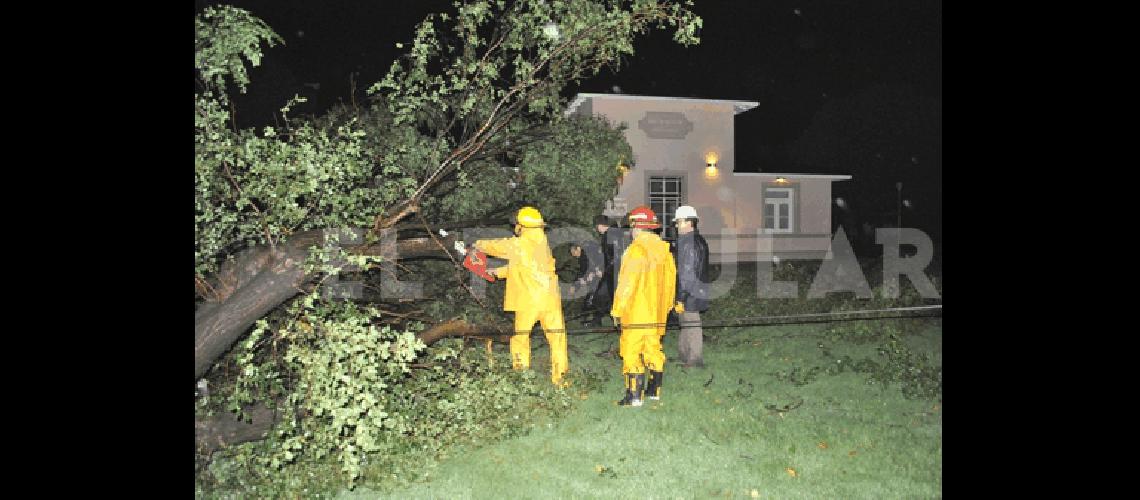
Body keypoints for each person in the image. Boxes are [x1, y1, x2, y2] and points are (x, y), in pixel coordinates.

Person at [473, 206, 568, 386]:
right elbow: (522, 266)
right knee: (557, 338)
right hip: (550, 300)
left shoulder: (520, 243)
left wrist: (477, 244)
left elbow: (499, 246)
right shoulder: (542, 243)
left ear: (521, 225)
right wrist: (498, 272)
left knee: (520, 338)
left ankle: (521, 376)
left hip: (529, 300)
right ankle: (561, 378)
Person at [610, 206, 676, 406]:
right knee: (653, 348)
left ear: (636, 227)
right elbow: (671, 283)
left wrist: (617, 310)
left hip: (636, 312)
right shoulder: (665, 251)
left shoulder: (636, 250)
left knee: (630, 350)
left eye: (631, 227)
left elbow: (627, 284)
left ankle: (634, 396)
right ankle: (654, 391)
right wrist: (665, 307)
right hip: (656, 313)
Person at [672, 205, 710, 368]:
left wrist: (681, 297)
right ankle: (684, 355)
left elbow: (687, 274)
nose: (676, 225)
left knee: (692, 324)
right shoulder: (695, 240)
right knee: (686, 323)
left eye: (678, 222)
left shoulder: (689, 242)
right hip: (692, 291)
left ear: (689, 223)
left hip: (690, 293)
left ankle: (695, 360)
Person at [596, 214, 630, 322]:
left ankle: (618, 319)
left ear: (602, 225)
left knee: (612, 296)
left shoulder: (608, 235)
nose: (597, 229)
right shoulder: (618, 233)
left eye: (597, 226)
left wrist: (604, 269)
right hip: (620, 269)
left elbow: (610, 256)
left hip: (613, 271)